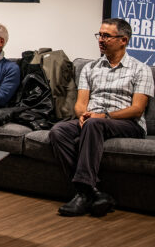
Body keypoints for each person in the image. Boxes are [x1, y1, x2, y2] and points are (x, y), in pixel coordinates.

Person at [49, 18, 153, 217]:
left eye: (107, 36)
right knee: (58, 131)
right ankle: (91, 192)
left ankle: (82, 192)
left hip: (127, 123)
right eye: (100, 35)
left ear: (123, 40)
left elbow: (137, 109)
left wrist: (103, 115)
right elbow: (80, 103)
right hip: (94, 120)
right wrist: (82, 115)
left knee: (94, 123)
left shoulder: (141, 69)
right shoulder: (90, 67)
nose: (101, 40)